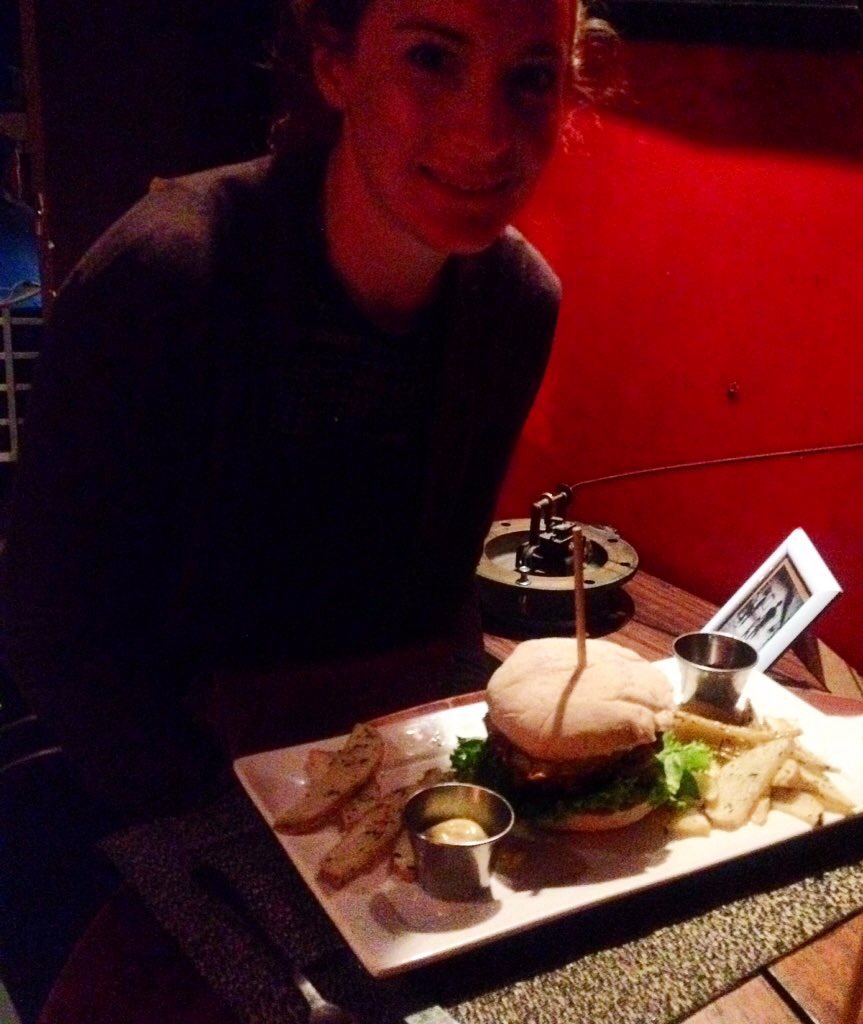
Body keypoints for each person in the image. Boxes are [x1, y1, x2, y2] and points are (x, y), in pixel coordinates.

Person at [2, 0, 601, 823]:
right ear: (335, 65)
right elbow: (52, 636)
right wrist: (238, 833)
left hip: (377, 775)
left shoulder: (516, 303)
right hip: (165, 795)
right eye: (432, 59)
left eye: (530, 77)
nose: (487, 132)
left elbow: (433, 609)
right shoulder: (166, 275)